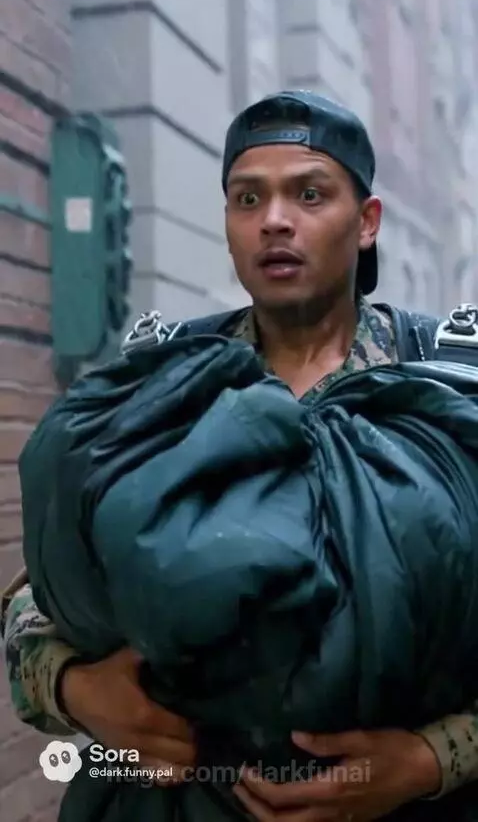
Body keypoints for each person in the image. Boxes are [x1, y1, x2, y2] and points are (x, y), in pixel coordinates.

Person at [2, 90, 478, 822]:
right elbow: (40, 599)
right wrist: (76, 690)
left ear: (368, 223)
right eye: (247, 198)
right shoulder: (162, 387)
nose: (274, 220)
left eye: (309, 193)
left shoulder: (445, 388)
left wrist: (426, 761)